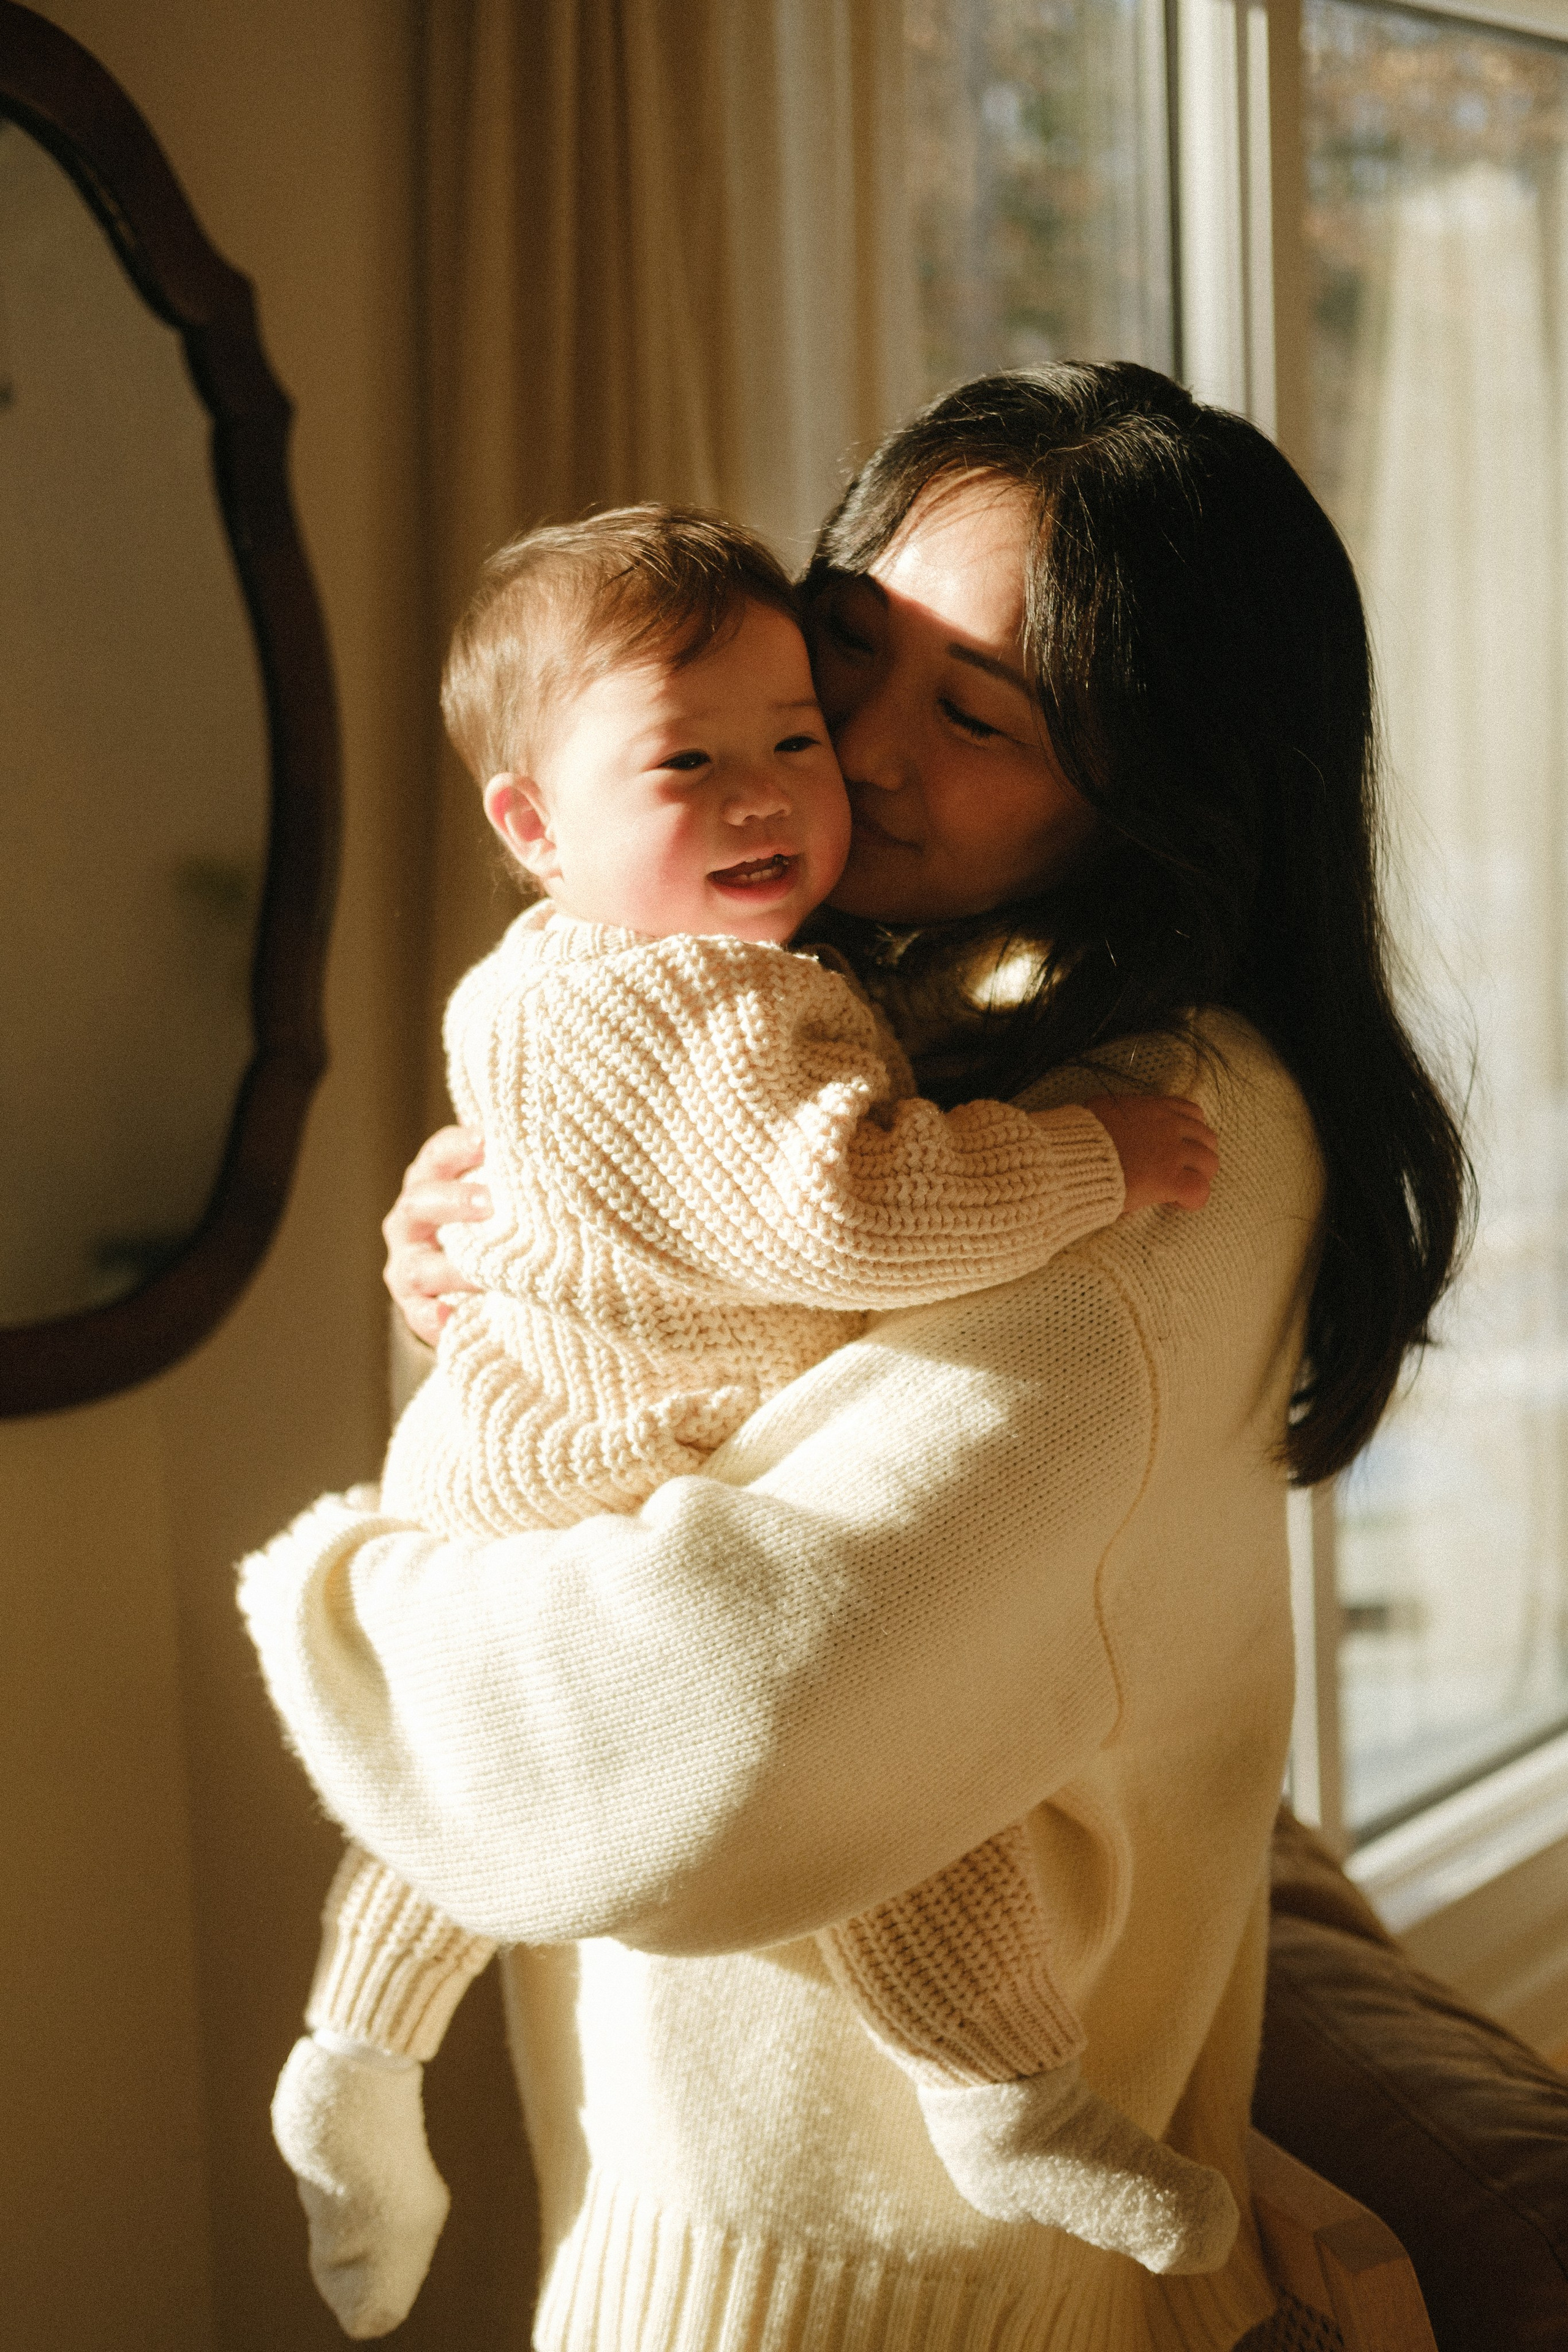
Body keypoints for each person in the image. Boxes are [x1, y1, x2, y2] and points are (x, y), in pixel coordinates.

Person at [240, 363, 1469, 2352]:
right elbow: (721, 1429)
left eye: (974, 716)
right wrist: (520, 1294)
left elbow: (697, 1742)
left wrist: (350, 1594)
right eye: (842, 659)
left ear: (1165, 781)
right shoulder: (835, 1011)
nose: (850, 762)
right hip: (709, 2212)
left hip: (884, 2290)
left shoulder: (1152, 1146)